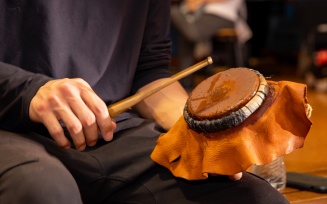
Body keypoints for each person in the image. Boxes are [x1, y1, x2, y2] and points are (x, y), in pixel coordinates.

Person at [0, 1, 289, 203]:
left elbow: (148, 70)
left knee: (256, 198)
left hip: (107, 130)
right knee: (43, 189)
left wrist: (205, 132)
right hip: (8, 124)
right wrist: (28, 90)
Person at [171, 0, 252, 89]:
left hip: (223, 15)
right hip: (204, 15)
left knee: (175, 13)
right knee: (185, 31)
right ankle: (185, 79)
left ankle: (185, 79)